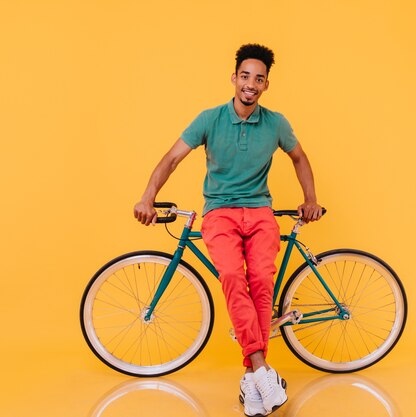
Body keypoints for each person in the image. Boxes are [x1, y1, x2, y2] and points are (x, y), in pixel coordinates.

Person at [133, 43, 322, 416]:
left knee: (263, 283)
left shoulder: (276, 123)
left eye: (260, 79)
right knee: (233, 277)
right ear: (234, 79)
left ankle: (253, 380)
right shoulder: (209, 119)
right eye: (246, 76)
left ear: (267, 85)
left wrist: (310, 198)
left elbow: (299, 157)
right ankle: (261, 369)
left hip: (260, 212)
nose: (251, 84)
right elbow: (171, 158)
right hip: (219, 213)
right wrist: (147, 197)